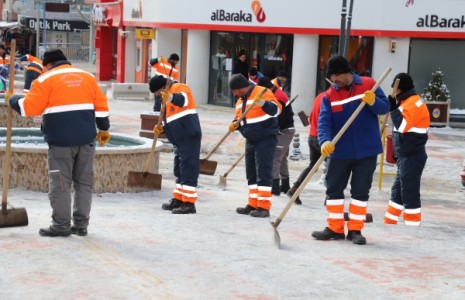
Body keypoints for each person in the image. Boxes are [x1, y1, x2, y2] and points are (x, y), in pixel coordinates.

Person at [9, 49, 111, 237]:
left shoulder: (44, 80)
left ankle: (61, 225)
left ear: (47, 65)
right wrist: (104, 127)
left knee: (61, 184)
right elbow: (102, 105)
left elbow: (29, 108)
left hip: (61, 141)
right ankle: (81, 225)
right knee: (83, 183)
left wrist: (13, 100)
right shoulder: (87, 77)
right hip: (87, 140)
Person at [311, 55, 389, 245]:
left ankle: (355, 230)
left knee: (360, 192)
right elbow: (324, 123)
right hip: (339, 151)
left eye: (337, 75)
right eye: (332, 76)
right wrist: (324, 142)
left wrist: (373, 101)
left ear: (347, 72)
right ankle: (335, 228)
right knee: (334, 190)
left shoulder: (369, 84)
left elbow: (385, 108)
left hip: (366, 150)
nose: (334, 79)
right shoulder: (329, 95)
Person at [229, 74, 282, 218]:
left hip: (265, 138)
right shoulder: (240, 101)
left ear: (242, 87)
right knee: (251, 173)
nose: (234, 94)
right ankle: (253, 203)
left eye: (235, 90)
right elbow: (240, 118)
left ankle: (263, 207)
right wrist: (236, 124)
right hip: (250, 139)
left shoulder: (262, 92)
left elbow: (277, 110)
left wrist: (264, 104)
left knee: (263, 172)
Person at [149, 74, 201, 214]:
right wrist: (163, 129)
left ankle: (189, 204)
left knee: (188, 169)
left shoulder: (180, 88)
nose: (157, 95)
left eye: (157, 92)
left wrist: (170, 97)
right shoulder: (164, 99)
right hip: (178, 139)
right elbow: (173, 120)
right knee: (179, 170)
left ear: (162, 87)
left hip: (189, 136)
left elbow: (183, 100)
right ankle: (179, 199)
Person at [384, 73, 430, 226]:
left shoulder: (413, 103)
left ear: (400, 89)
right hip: (406, 155)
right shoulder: (408, 102)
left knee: (409, 190)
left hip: (412, 155)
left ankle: (412, 225)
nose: (394, 92)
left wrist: (393, 109)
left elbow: (403, 126)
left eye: (395, 89)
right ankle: (389, 222)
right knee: (398, 190)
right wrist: (395, 107)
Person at [257, 76, 294, 197]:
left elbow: (280, 118)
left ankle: (275, 187)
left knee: (275, 158)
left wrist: (272, 130)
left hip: (284, 130)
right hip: (286, 129)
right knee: (282, 159)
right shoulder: (274, 93)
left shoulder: (278, 96)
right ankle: (285, 185)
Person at [287, 91, 325, 204]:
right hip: (324, 139)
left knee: (313, 166)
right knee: (335, 168)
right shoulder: (332, 98)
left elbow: (312, 117)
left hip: (312, 136)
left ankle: (295, 189)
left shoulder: (319, 96)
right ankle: (332, 197)